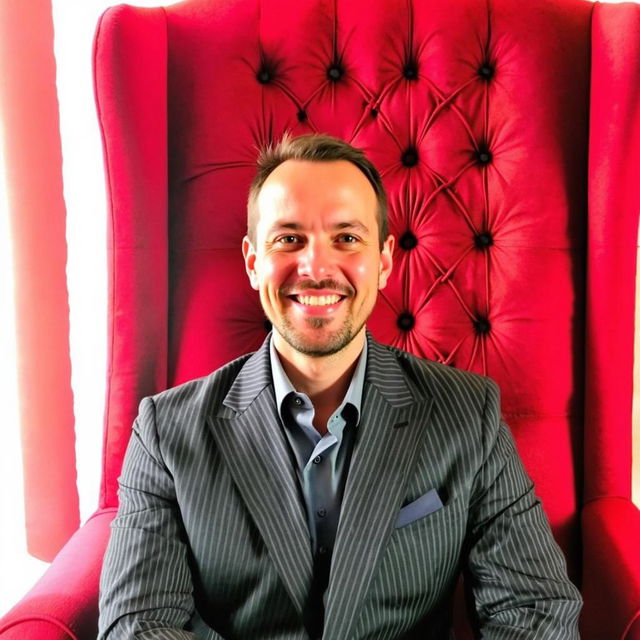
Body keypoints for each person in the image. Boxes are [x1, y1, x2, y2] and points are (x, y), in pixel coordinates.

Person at [98, 134, 582, 639]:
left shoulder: (469, 413)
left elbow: (535, 610)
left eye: (346, 238)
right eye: (288, 238)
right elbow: (138, 625)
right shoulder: (165, 432)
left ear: (385, 260)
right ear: (252, 261)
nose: (316, 268)